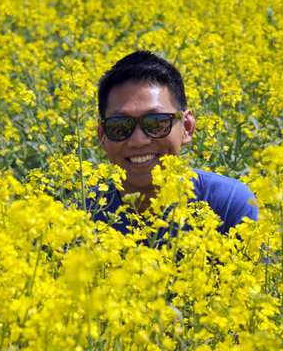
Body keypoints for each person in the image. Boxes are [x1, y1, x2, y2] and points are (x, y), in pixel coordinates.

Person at [89, 50, 257, 235]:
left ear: (187, 127)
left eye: (156, 122)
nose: (138, 141)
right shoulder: (80, 218)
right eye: (119, 126)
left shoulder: (229, 204)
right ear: (102, 135)